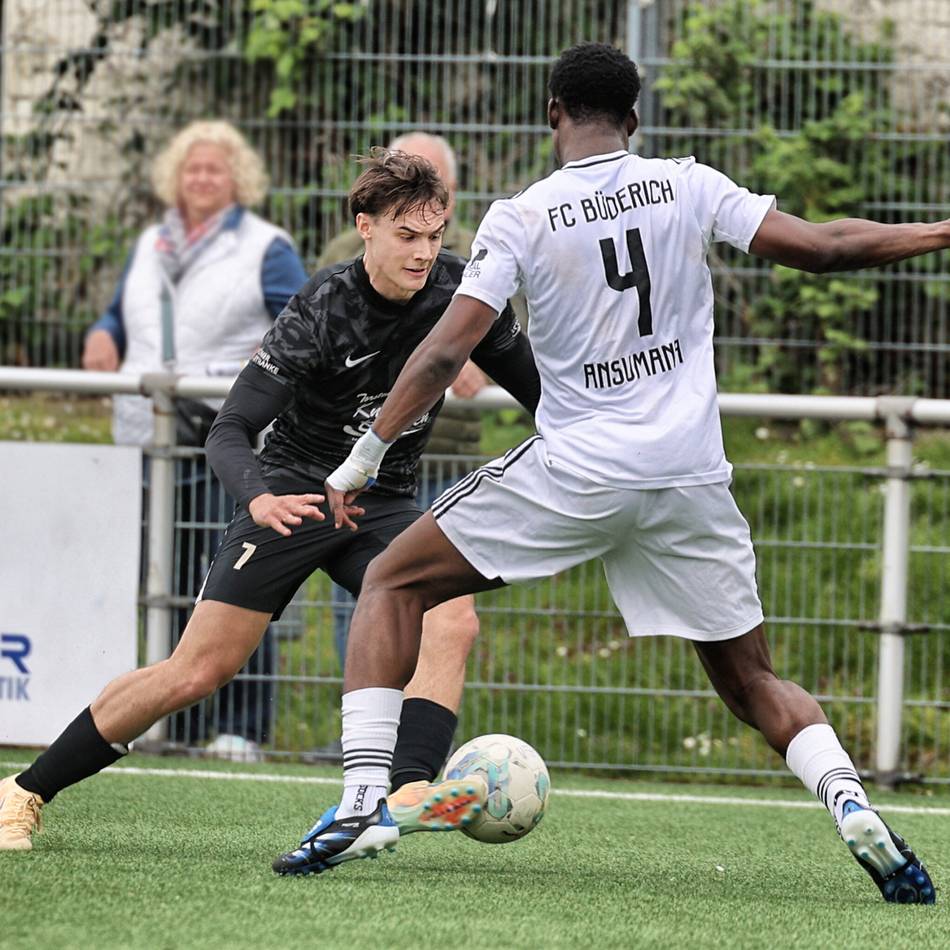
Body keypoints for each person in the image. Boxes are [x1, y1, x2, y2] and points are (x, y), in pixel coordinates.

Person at [295, 42, 940, 905]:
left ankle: (362, 801)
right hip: (688, 478)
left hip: (582, 470)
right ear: (634, 118)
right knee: (753, 681)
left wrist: (365, 455)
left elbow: (447, 346)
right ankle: (850, 801)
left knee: (391, 579)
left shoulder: (520, 216)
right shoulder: (689, 183)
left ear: (553, 113)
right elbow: (822, 248)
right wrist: (939, 230)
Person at [0, 148, 540, 858]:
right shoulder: (321, 306)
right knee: (199, 669)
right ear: (366, 226)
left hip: (381, 502)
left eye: (435, 236)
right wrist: (258, 499)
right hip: (292, 492)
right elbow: (229, 431)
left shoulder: (461, 293)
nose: (424, 252)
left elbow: (546, 398)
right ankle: (24, 789)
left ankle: (406, 795)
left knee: (450, 614)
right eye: (406, 236)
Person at [80, 120, 308, 762]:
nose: (201, 179)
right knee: (168, 579)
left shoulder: (267, 246)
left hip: (221, 435)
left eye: (214, 169)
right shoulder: (152, 241)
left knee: (235, 582)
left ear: (238, 179)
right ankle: (171, 726)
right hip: (148, 434)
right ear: (173, 178)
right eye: (192, 169)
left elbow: (300, 320)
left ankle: (242, 727)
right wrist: (103, 331)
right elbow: (123, 309)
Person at [320, 133, 489, 670]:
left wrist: (472, 361)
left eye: (431, 178)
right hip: (355, 457)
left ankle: (409, 736)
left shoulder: (479, 256)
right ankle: (360, 729)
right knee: (365, 596)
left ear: (453, 191)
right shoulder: (343, 254)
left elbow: (507, 340)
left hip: (447, 458)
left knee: (443, 606)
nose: (421, 248)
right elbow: (318, 334)